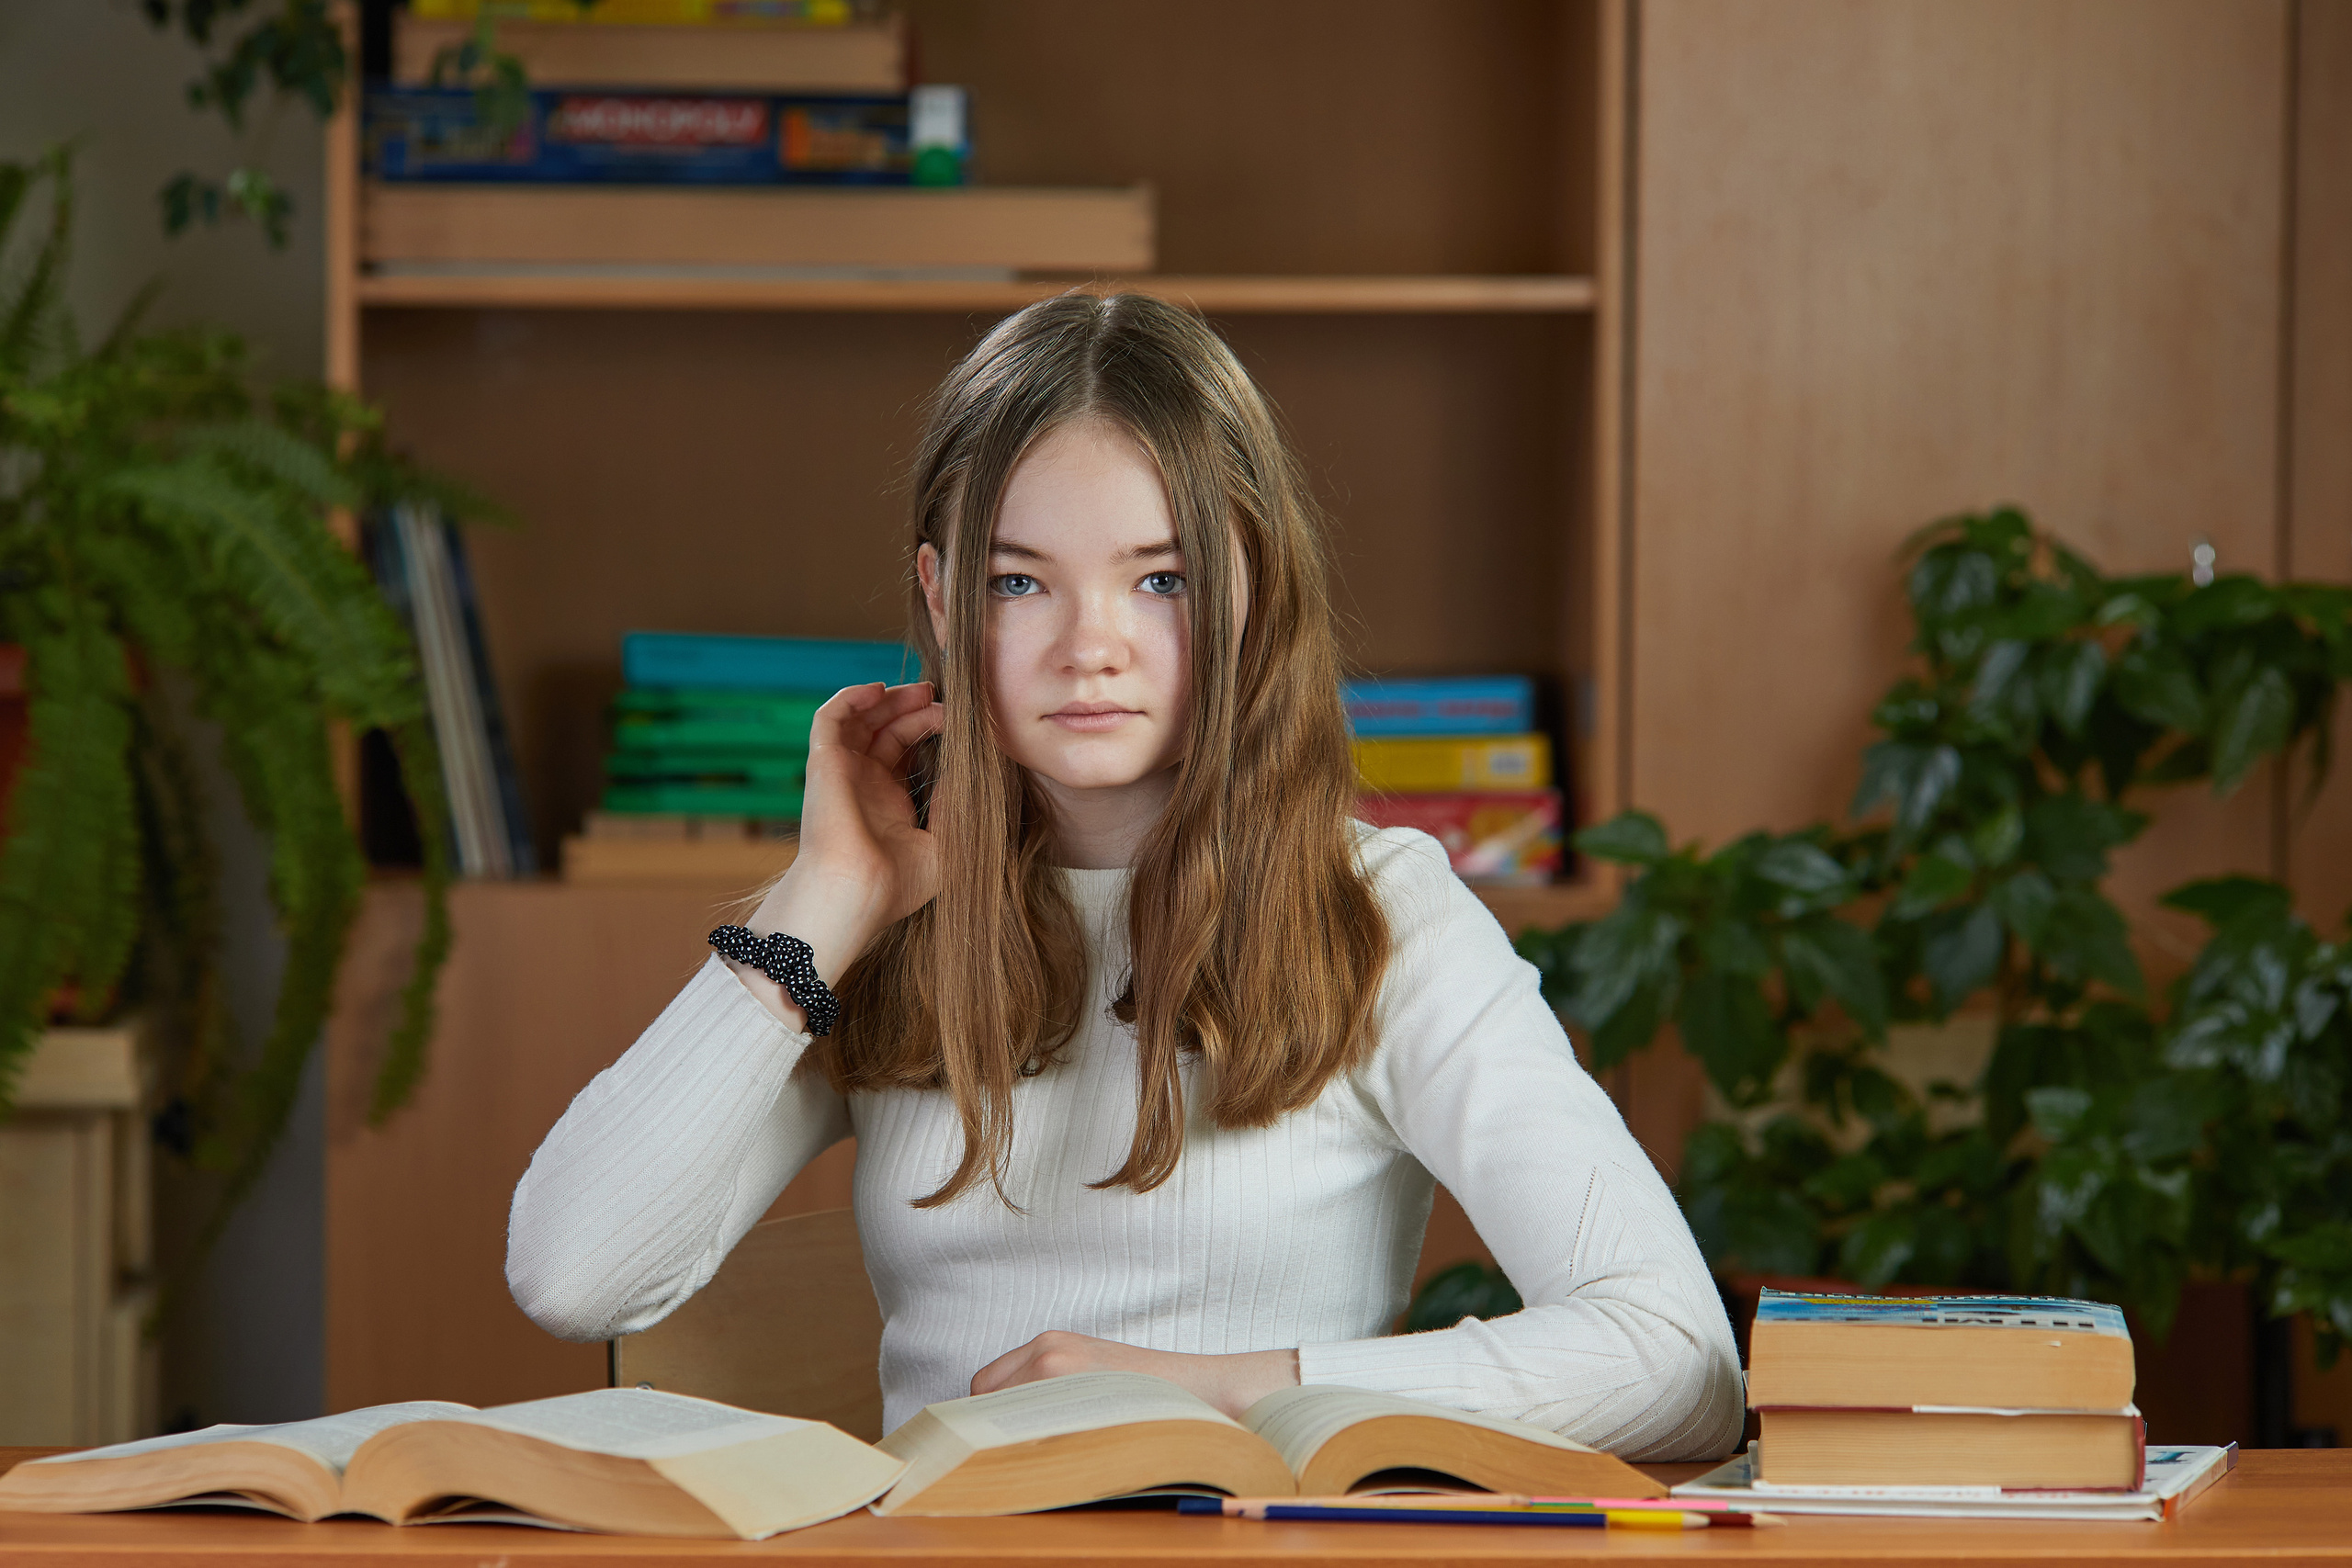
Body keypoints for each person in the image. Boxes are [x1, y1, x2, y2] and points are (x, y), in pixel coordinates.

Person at [505, 292, 1744, 1460]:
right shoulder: (887, 922)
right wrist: (824, 900)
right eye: (1017, 582)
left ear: (1251, 588)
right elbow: (573, 1274)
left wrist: (1207, 1392)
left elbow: (1680, 1362)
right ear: (940, 599)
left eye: (1162, 580)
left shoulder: (1379, 912)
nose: (1090, 647)